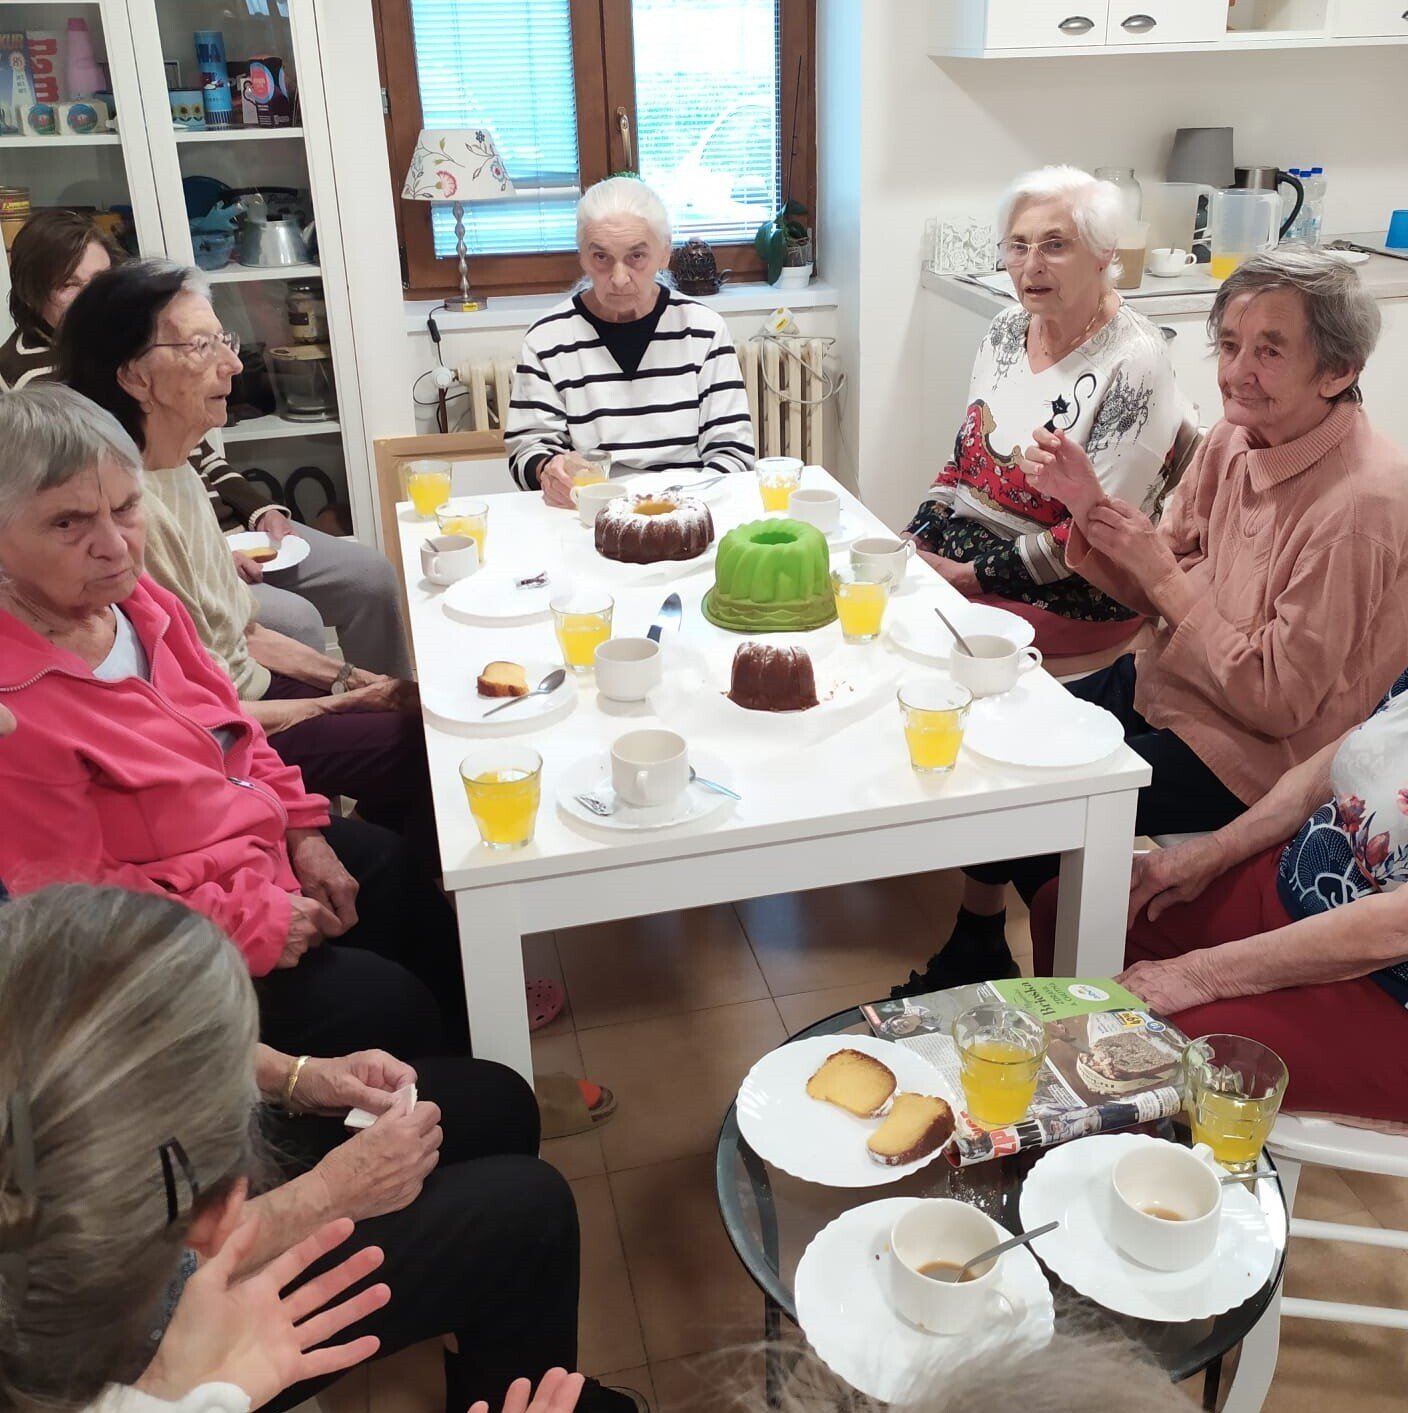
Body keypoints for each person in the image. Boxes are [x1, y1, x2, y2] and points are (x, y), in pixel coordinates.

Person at [896, 247, 1408, 996]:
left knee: (1044, 821)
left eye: (1270, 351)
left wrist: (1167, 579)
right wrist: (1088, 510)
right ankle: (983, 944)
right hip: (1163, 684)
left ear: (1339, 371)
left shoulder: (1362, 506)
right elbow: (1151, 585)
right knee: (994, 748)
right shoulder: (1235, 439)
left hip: (1250, 753)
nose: (1237, 373)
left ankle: (1076, 998)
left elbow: (1277, 702)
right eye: (1229, 345)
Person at [0, 885, 641, 1413]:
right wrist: (329, 1194)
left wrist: (298, 1076)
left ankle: (485, 1353)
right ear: (216, 1213)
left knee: (493, 1103)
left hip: (144, 1289)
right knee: (529, 1212)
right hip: (142, 1310)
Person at [0, 384, 467, 1058]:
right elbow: (75, 906)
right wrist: (249, 922)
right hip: (178, 941)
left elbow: (234, 732)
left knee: (394, 874)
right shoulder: (14, 708)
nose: (115, 546)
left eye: (126, 507)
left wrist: (303, 830)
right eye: (68, 523)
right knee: (393, 1005)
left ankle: (463, 1066)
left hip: (249, 849)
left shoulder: (140, 604)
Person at [55, 262, 431, 849]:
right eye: (201, 347)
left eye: (222, 340)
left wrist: (354, 678)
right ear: (134, 377)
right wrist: (347, 703)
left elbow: (244, 632)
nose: (232, 363)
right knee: (422, 747)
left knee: (420, 718)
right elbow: (189, 712)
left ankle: (387, 855)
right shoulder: (122, 517)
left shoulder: (176, 467)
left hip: (252, 693)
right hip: (221, 730)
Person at [1, 207, 412, 676]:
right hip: (183, 551)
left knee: (369, 575)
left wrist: (260, 510)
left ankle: (397, 698)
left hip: (219, 525)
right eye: (69, 285)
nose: (90, 297)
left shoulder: (164, 422)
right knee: (296, 621)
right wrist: (215, 558)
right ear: (34, 293)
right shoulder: (50, 390)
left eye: (99, 280)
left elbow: (196, 454)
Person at [1028, 666, 1408, 1128]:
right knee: (1067, 910)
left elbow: (1395, 926)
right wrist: (1214, 851)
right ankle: (1068, 1128)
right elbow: (1336, 766)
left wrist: (1200, 974)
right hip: (1296, 880)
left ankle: (1136, 1155)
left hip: (1385, 988)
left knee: (1137, 1059)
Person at [902, 166, 1188, 656]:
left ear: (1104, 253)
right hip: (967, 556)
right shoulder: (1005, 328)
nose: (1031, 265)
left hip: (1069, 590)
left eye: (1055, 245)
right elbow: (963, 462)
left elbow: (1096, 530)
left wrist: (965, 577)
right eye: (1018, 246)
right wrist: (918, 533)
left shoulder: (1136, 360)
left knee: (918, 648)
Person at [506, 175, 756, 506]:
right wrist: (549, 470)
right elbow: (528, 451)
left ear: (664, 253)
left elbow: (734, 453)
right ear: (582, 257)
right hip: (592, 511)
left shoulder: (703, 330)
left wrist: (675, 506)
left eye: (636, 256)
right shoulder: (547, 338)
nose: (619, 278)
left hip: (689, 506)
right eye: (601, 257)